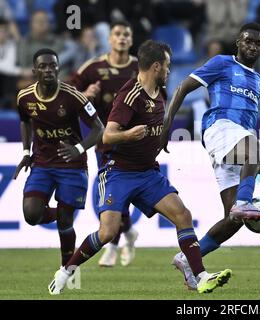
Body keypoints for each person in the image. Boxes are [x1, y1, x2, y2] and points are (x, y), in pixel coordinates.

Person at [48, 40, 232, 295]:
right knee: (108, 232)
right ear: (156, 66)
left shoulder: (161, 92)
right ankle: (66, 271)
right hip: (118, 173)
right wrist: (129, 135)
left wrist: (162, 137)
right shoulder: (129, 96)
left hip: (147, 173)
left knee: (183, 215)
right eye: (167, 66)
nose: (169, 70)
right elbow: (106, 136)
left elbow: (157, 123)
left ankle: (198, 276)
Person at [160, 22, 260, 290]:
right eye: (248, 41)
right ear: (238, 42)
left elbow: (248, 125)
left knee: (235, 220)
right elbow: (183, 87)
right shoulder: (222, 63)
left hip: (236, 140)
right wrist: (166, 125)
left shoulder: (258, 81)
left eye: (258, 43)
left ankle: (187, 260)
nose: (252, 46)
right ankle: (244, 201)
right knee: (256, 153)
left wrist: (251, 162)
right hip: (219, 128)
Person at [14, 48, 104, 268]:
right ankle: (64, 212)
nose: (48, 70)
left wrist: (79, 149)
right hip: (42, 163)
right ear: (34, 70)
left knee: (65, 222)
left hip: (71, 164)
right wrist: (26, 152)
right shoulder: (24, 97)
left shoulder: (73, 96)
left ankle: (66, 269)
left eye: (53, 65)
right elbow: (25, 121)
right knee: (31, 215)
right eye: (43, 66)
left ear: (58, 68)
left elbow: (99, 128)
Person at [70, 20, 139, 267]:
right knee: (113, 194)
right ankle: (118, 239)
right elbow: (67, 94)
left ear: (131, 40)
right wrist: (84, 95)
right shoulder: (94, 68)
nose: (121, 38)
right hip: (106, 141)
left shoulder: (139, 67)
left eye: (126, 34)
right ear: (110, 39)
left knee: (123, 194)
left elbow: (158, 96)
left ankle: (115, 241)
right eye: (117, 34)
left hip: (135, 140)